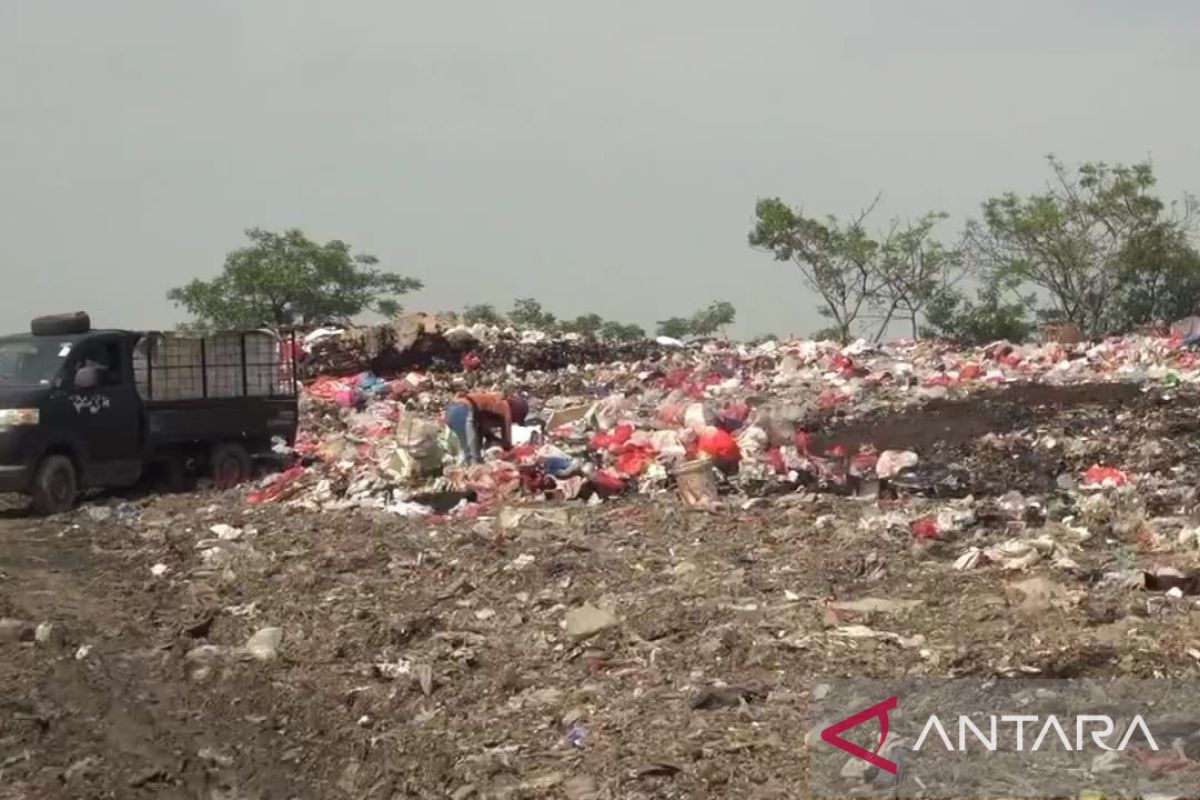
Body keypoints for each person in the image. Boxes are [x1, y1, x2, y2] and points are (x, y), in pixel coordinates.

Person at [446, 392, 529, 464]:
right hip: (463, 410)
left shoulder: (494, 406)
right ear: (516, 412)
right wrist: (512, 453)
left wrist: (492, 438)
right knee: (472, 459)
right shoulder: (505, 408)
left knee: (472, 453)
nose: (513, 422)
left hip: (452, 410)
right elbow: (507, 441)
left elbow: (481, 428)